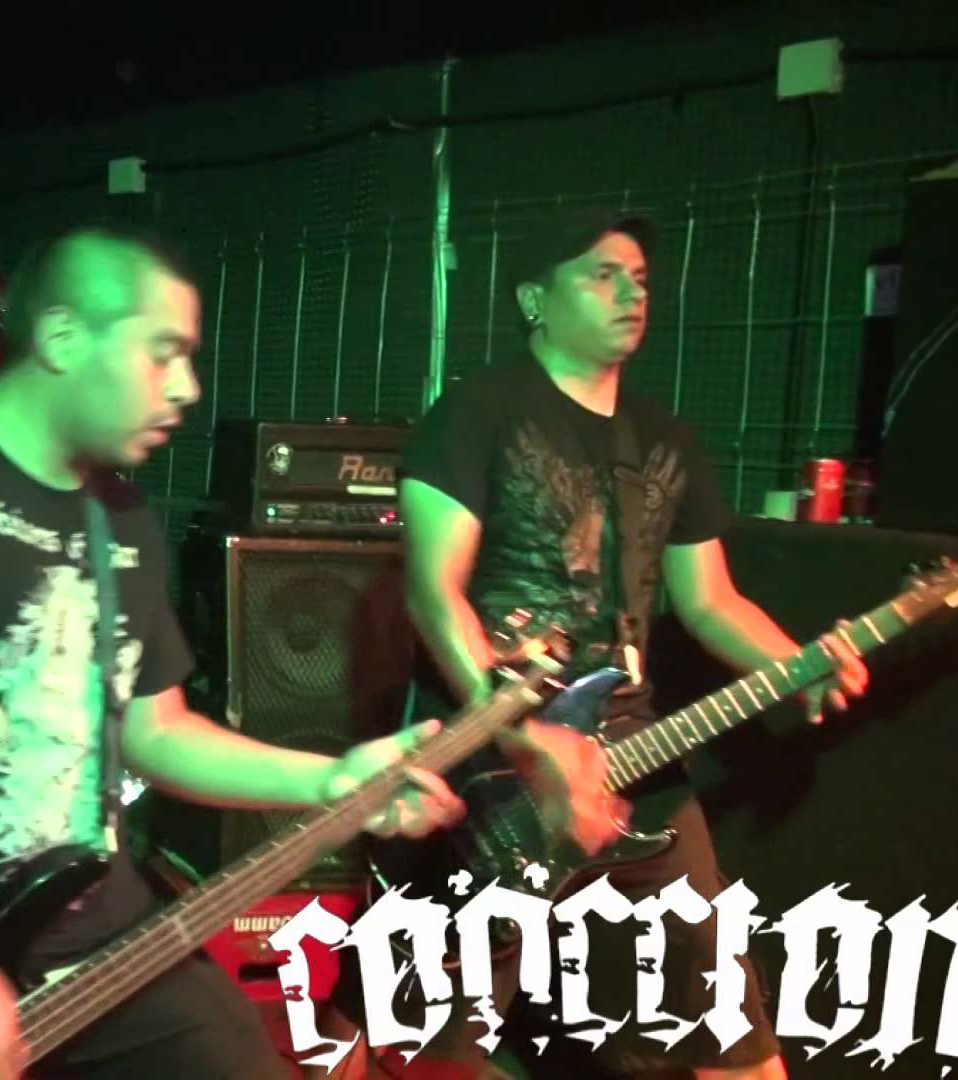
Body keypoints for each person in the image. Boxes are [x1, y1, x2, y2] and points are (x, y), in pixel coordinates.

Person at [0, 224, 627, 1080]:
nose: (187, 388)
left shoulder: (122, 519)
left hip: (97, 935)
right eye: (164, 353)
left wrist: (333, 779)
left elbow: (155, 731)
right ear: (62, 337)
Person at [361, 208, 870, 1079]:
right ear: (535, 298)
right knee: (434, 1053)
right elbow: (432, 591)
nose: (631, 292)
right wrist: (521, 736)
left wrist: (797, 664)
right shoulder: (474, 413)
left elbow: (711, 601)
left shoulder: (665, 441)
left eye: (639, 278)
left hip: (637, 760)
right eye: (602, 274)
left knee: (740, 1046)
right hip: (501, 763)